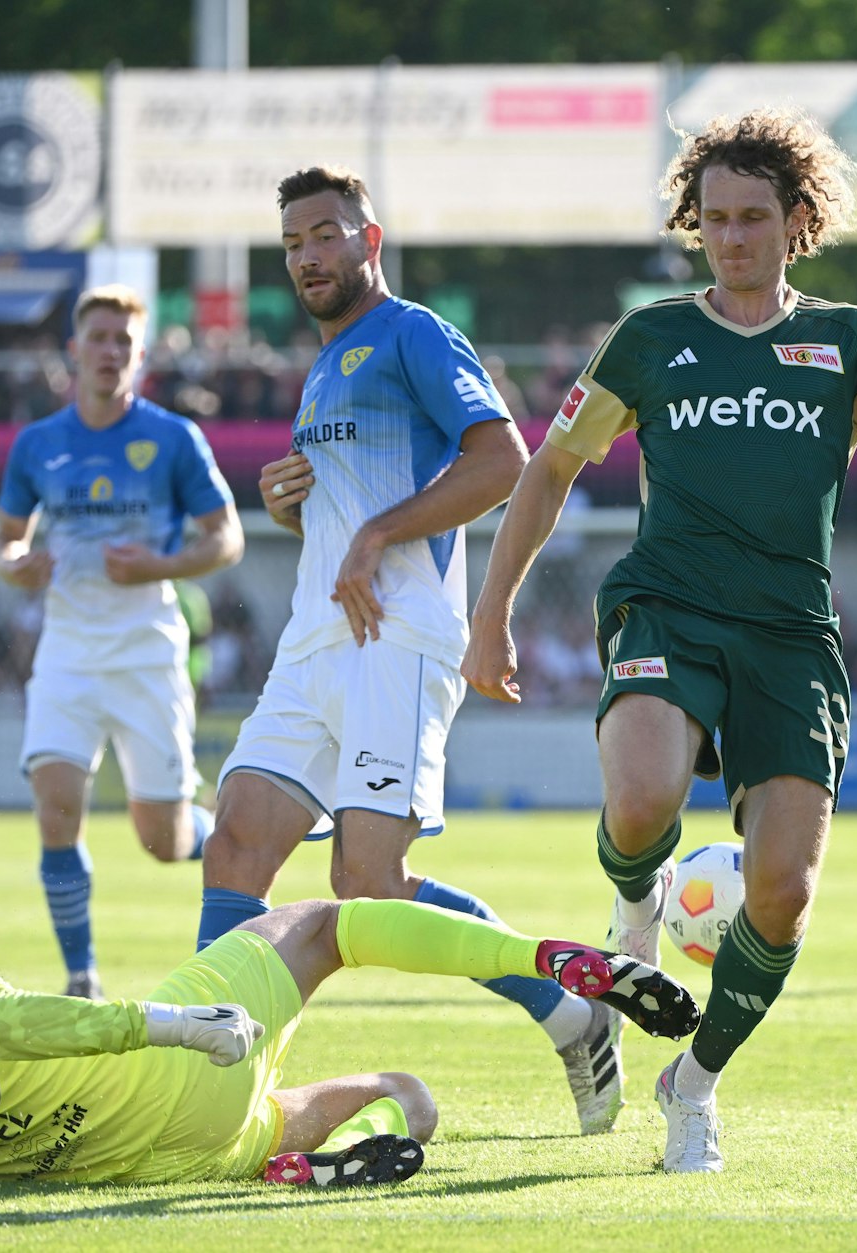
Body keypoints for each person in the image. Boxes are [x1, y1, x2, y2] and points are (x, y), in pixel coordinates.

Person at [463, 108, 857, 1173]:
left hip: (790, 634)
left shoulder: (851, 339)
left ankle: (690, 1083)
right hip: (667, 603)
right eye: (713, 219)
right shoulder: (649, 338)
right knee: (643, 796)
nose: (732, 235)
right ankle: (635, 900)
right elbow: (550, 469)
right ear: (693, 225)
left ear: (797, 222)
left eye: (753, 217)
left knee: (782, 891)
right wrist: (491, 610)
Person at [193, 166, 629, 1139]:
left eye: (324, 234)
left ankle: (566, 1006)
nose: (308, 255)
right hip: (317, 636)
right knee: (237, 836)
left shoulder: (415, 333)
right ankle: (212, 1072)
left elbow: (501, 459)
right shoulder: (323, 364)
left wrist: (376, 533)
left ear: (368, 238)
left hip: (396, 634)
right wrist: (293, 499)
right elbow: (355, 492)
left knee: (370, 881)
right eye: (293, 243)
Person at [0, 796, 699, 1185]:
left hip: (133, 1157)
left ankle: (319, 1153)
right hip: (168, 1072)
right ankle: (545, 959)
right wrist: (173, 1022)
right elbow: (8, 1019)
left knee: (408, 1091)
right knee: (326, 924)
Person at [0, 284, 246, 1001]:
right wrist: (16, 566)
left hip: (145, 652)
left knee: (161, 842)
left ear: (140, 357)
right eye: (98, 338)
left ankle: (236, 825)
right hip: (66, 653)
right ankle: (82, 977)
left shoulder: (171, 438)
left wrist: (161, 565)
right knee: (56, 807)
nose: (109, 352)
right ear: (75, 349)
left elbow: (228, 537)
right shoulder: (37, 443)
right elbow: (3, 542)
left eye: (123, 343)